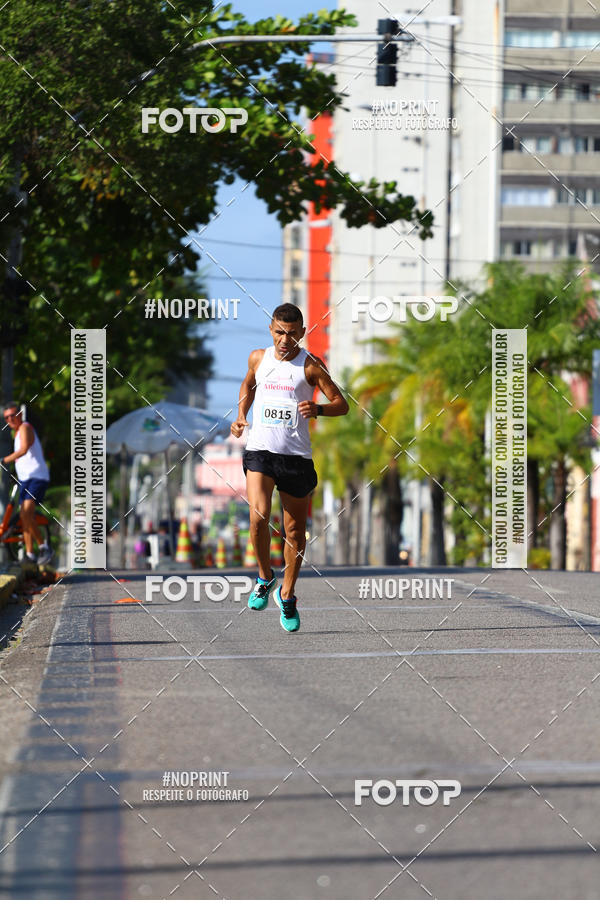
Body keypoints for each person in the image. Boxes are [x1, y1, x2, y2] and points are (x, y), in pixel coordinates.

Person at [231, 304, 349, 632]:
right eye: (280, 332)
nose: (286, 339)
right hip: (260, 452)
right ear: (272, 330)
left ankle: (287, 593)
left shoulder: (310, 366)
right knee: (258, 517)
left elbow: (342, 404)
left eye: (293, 333)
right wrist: (242, 415)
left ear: (302, 332)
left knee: (294, 531)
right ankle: (265, 577)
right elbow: (248, 385)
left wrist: (319, 409)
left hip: (296, 458)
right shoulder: (259, 357)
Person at [1, 402, 53, 565]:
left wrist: (4, 460)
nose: (10, 419)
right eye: (6, 417)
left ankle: (44, 547)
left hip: (36, 478)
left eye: (13, 415)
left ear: (20, 415)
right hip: (26, 479)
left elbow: (24, 450)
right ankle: (30, 555)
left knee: (25, 513)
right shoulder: (16, 434)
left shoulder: (25, 428)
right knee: (24, 517)